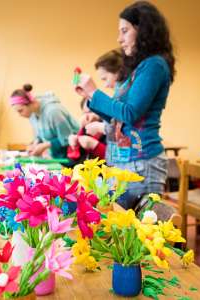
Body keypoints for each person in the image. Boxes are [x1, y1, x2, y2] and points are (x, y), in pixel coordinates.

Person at [76, 1, 175, 209]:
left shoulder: (154, 65)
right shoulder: (137, 68)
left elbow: (130, 113)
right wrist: (90, 98)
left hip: (141, 163)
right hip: (124, 162)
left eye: (125, 31)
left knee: (134, 235)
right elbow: (119, 118)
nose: (119, 39)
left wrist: (95, 91)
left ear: (144, 30)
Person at [69, 49, 123, 161]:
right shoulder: (86, 127)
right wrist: (73, 143)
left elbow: (117, 156)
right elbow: (74, 156)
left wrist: (95, 143)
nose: (106, 85)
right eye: (85, 113)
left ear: (119, 73)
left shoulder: (120, 103)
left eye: (105, 79)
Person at [10, 84, 79, 158]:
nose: (19, 115)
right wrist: (34, 144)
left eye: (20, 111)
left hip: (73, 156)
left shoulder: (54, 112)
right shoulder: (32, 114)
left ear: (30, 104)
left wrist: (44, 146)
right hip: (56, 157)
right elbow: (40, 136)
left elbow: (67, 139)